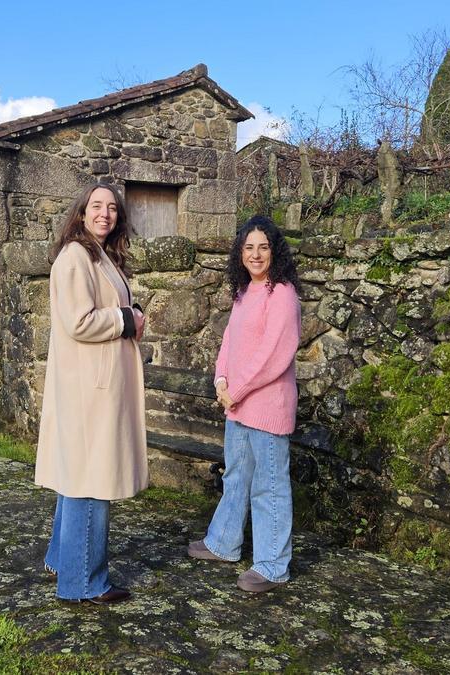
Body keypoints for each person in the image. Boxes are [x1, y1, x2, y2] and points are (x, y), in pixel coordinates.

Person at [36, 183, 147, 605]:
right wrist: (126, 318)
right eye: (97, 206)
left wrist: (130, 317)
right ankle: (84, 582)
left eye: (112, 208)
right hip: (88, 389)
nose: (105, 214)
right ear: (81, 212)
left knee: (77, 474)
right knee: (91, 478)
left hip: (93, 386)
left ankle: (60, 560)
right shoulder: (75, 257)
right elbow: (78, 322)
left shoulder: (98, 256)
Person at [188, 215, 301, 593]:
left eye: (263, 247)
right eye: (248, 247)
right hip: (237, 405)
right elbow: (229, 344)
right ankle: (224, 542)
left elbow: (275, 356)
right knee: (236, 477)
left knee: (268, 486)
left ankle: (272, 565)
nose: (255, 254)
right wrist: (222, 380)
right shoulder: (243, 292)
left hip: (266, 408)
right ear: (240, 253)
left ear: (275, 251)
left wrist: (238, 389)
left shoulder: (281, 293)